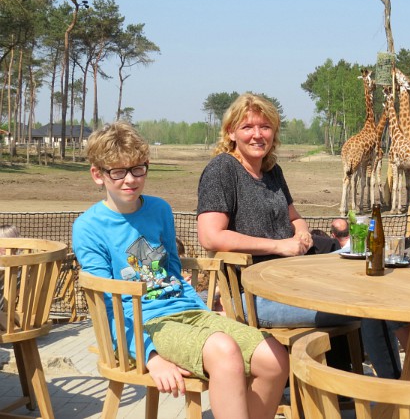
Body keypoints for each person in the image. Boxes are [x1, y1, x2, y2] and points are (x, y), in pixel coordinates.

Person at [72, 121, 288, 419]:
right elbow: (106, 305)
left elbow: (172, 272)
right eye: (118, 172)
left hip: (189, 313)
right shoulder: (89, 227)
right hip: (144, 327)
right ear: (98, 174)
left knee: (274, 356)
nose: (130, 180)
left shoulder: (159, 209)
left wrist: (204, 310)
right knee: (224, 351)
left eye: (138, 169)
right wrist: (151, 356)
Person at [195, 92, 405, 380]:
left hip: (295, 282)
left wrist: (302, 231)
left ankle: (403, 380)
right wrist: (279, 246)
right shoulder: (222, 170)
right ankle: (399, 399)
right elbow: (210, 236)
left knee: (376, 286)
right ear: (231, 132)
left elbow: (295, 217)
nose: (258, 135)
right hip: (254, 296)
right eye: (248, 127)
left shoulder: (271, 170)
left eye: (265, 127)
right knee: (368, 306)